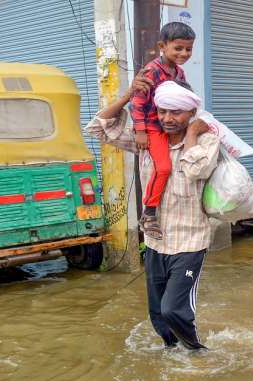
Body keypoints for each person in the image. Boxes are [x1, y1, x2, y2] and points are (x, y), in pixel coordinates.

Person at [86, 77, 219, 350]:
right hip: (156, 241)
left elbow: (197, 170)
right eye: (162, 111)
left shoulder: (207, 140)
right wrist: (127, 96)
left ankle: (197, 352)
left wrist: (192, 134)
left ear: (192, 113)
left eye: (176, 112)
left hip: (189, 242)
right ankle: (173, 353)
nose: (167, 118)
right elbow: (97, 128)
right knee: (158, 314)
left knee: (174, 310)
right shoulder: (147, 141)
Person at [131, 22, 196, 240]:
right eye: (178, 48)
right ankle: (148, 214)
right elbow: (137, 103)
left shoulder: (179, 72)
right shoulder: (151, 71)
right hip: (153, 126)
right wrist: (141, 130)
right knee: (164, 168)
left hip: (173, 125)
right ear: (162, 46)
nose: (184, 53)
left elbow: (186, 97)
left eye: (188, 49)